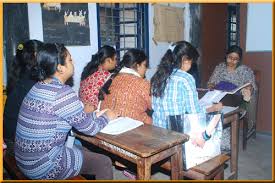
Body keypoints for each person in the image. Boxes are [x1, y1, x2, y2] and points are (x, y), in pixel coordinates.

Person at [14, 43, 118, 180]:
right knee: (103, 162)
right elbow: (91, 129)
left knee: (84, 151)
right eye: (69, 59)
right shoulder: (62, 93)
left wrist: (93, 115)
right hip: (44, 166)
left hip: (23, 160)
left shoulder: (37, 87)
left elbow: (69, 117)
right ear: (60, 68)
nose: (73, 62)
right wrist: (107, 117)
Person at [151, 41, 223, 148]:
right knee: (216, 119)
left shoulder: (158, 75)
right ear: (184, 59)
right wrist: (212, 109)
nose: (191, 66)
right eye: (191, 62)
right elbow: (194, 112)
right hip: (176, 135)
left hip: (157, 132)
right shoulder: (186, 78)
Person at [207, 45, 257, 151]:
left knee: (225, 112)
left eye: (236, 59)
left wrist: (248, 89)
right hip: (219, 97)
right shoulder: (220, 67)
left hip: (236, 100)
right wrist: (212, 86)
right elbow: (211, 82)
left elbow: (251, 85)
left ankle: (224, 143)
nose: (232, 61)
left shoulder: (245, 70)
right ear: (226, 56)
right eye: (230, 58)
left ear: (239, 60)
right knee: (211, 109)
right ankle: (211, 139)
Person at [4, 40, 43, 148]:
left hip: (10, 137)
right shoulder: (32, 82)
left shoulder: (21, 75)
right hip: (16, 142)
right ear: (36, 55)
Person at [100, 48, 152, 125]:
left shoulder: (111, 78)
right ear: (137, 66)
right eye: (145, 65)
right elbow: (153, 105)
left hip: (107, 124)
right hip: (130, 127)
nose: (146, 69)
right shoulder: (142, 84)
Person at [79, 45, 117, 111]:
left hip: (82, 106)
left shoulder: (91, 70)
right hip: (92, 110)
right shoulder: (105, 75)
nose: (116, 63)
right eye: (116, 59)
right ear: (109, 60)